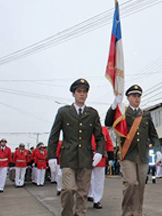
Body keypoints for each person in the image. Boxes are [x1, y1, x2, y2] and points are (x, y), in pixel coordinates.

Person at [47, 78, 105, 216]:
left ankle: (80, 214)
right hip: (68, 158)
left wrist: (99, 152)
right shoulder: (64, 112)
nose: (82, 94)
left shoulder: (92, 113)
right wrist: (51, 156)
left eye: (84, 92)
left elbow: (99, 136)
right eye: (79, 91)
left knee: (83, 192)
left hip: (86, 158)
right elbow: (54, 135)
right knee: (68, 189)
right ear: (73, 94)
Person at [105, 84, 161, 216]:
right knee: (130, 183)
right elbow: (108, 122)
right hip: (127, 154)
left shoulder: (145, 115)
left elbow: (153, 134)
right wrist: (114, 105)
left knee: (140, 185)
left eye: (138, 96)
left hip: (143, 155)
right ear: (128, 98)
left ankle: (137, 212)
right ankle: (126, 212)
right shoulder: (122, 113)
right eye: (134, 96)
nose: (137, 99)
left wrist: (158, 149)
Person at [88, 126, 114, 209]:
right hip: (86, 156)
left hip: (100, 158)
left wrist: (111, 156)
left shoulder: (104, 130)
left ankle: (97, 199)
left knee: (99, 180)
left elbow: (109, 143)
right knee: (87, 178)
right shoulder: (85, 126)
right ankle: (88, 194)